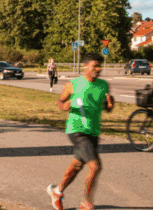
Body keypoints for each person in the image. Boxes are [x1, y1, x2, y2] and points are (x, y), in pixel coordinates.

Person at [48, 52, 114, 210]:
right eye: (94, 66)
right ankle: (86, 202)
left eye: (100, 66)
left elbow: (106, 107)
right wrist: (66, 106)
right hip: (76, 129)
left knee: (77, 165)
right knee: (95, 166)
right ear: (86, 66)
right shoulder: (73, 84)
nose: (98, 69)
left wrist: (110, 105)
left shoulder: (103, 85)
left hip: (93, 130)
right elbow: (61, 101)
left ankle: (57, 191)